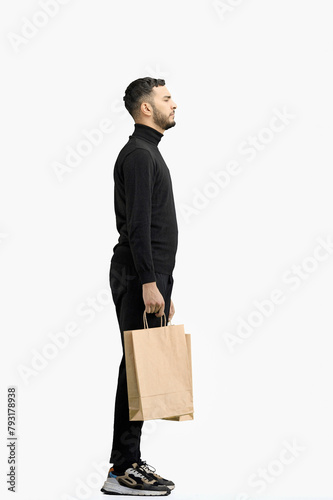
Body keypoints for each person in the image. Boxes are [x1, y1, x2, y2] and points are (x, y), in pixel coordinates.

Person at [101, 77, 178, 496]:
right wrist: (149, 281)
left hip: (150, 279)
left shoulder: (148, 153)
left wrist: (165, 283)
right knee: (135, 366)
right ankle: (121, 470)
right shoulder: (138, 155)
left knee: (142, 366)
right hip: (137, 276)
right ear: (145, 108)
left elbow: (154, 226)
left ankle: (129, 462)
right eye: (166, 98)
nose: (174, 104)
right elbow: (138, 228)